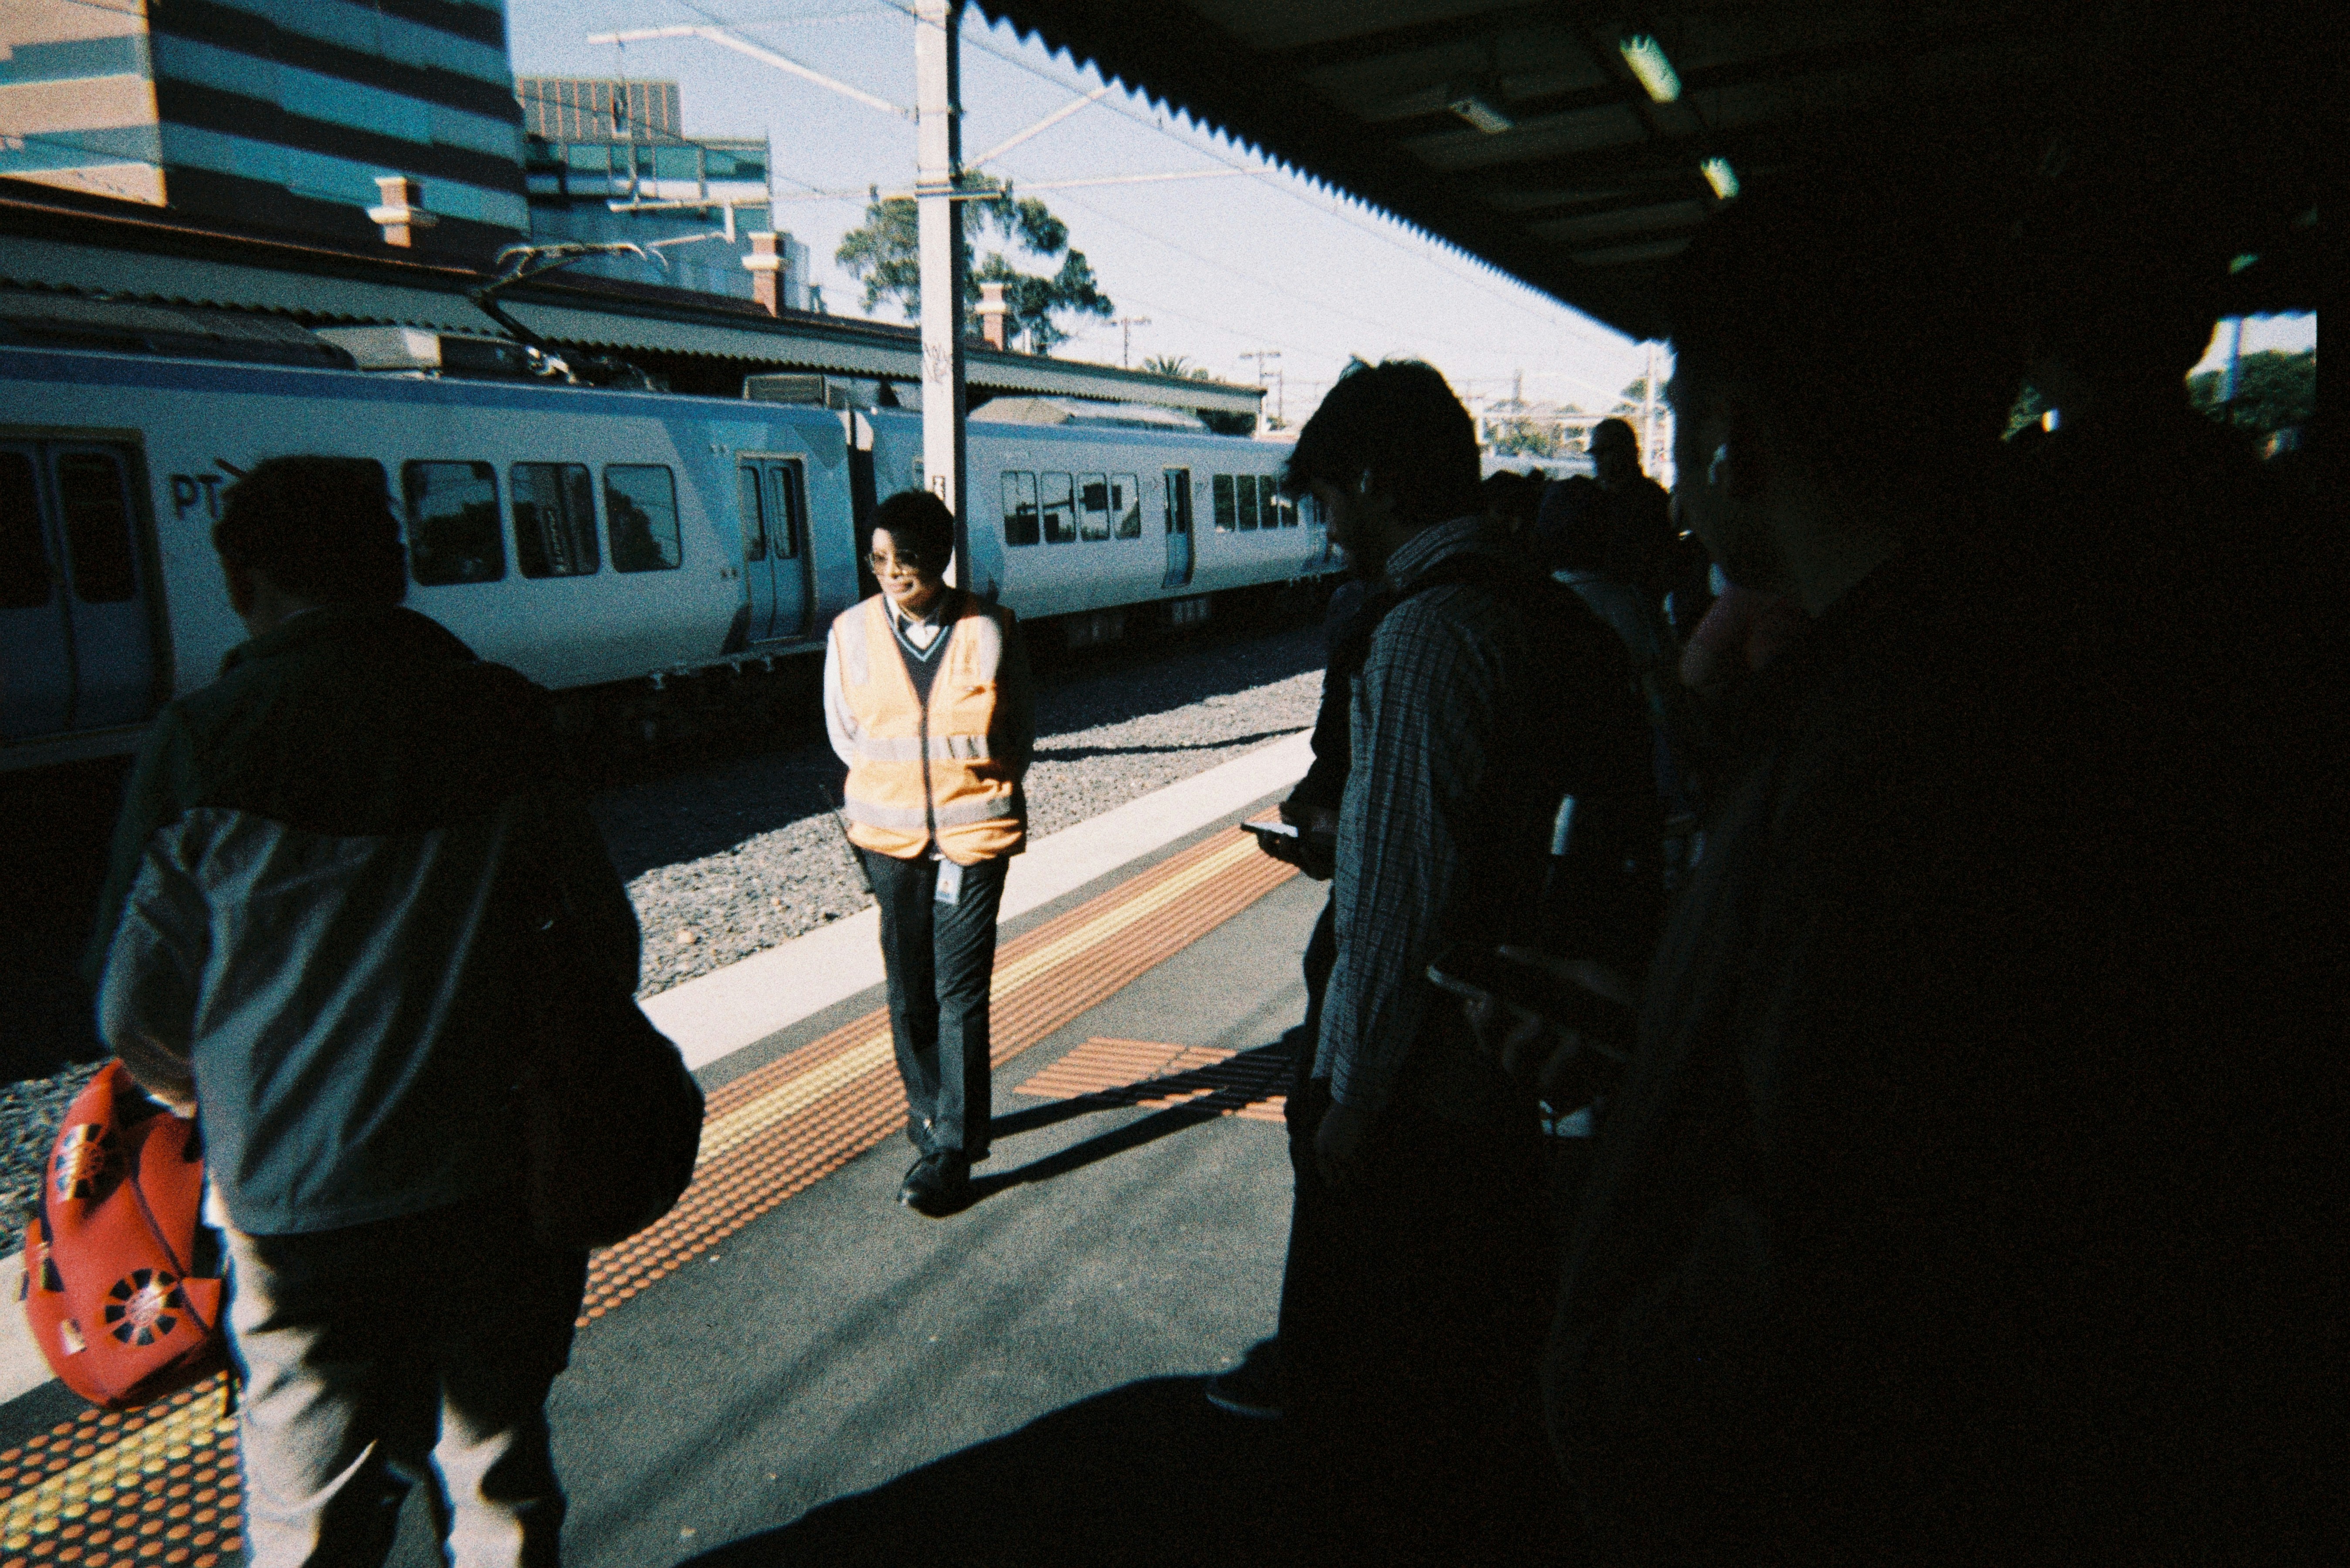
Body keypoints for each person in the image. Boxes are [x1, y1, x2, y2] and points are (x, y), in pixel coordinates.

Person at [1494, 116, 2302, 1564]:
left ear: (1734, 432)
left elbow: (1834, 1238)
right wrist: (1656, 1041)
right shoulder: (2032, 646)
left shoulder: (1901, 731)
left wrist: (1599, 1388)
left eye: (1681, 401)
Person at [88, 454, 636, 1568]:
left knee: (310, 1518)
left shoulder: (202, 743)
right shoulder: (503, 716)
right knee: (496, 1478)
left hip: (295, 1197)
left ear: (247, 580)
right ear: (393, 569)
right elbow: (601, 948)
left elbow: (134, 1006)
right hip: (491, 1177)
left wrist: (223, 1093)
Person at [1266, 359, 1651, 1555]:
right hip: (1520, 1068)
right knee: (1478, 1378)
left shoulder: (1428, 632)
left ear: (1373, 479)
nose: (1326, 527)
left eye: (1327, 496)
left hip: (1430, 1089)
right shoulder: (1543, 605)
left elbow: (1397, 905)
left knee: (1389, 1415)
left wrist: (1347, 1105)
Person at [823, 489, 1033, 1216]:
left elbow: (1017, 733)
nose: (891, 574)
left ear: (938, 559)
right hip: (890, 840)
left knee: (958, 989)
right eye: (878, 561)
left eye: (904, 561)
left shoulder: (991, 626)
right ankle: (926, 1110)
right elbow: (845, 734)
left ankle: (954, 1145)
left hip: (973, 837)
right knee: (907, 986)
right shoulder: (848, 633)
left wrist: (968, 791)